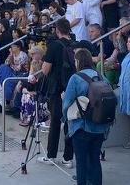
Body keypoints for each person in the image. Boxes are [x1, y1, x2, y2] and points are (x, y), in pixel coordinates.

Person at [62, 48, 110, 185]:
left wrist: (64, 118)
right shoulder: (100, 76)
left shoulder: (76, 78)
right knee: (95, 159)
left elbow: (67, 104)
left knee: (81, 163)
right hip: (100, 126)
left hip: (81, 126)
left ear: (78, 61)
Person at [37, 18, 74, 169]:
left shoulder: (54, 46)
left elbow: (45, 70)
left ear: (57, 30)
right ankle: (68, 158)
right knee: (70, 123)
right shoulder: (74, 44)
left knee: (55, 122)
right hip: (72, 88)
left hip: (56, 89)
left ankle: (51, 155)